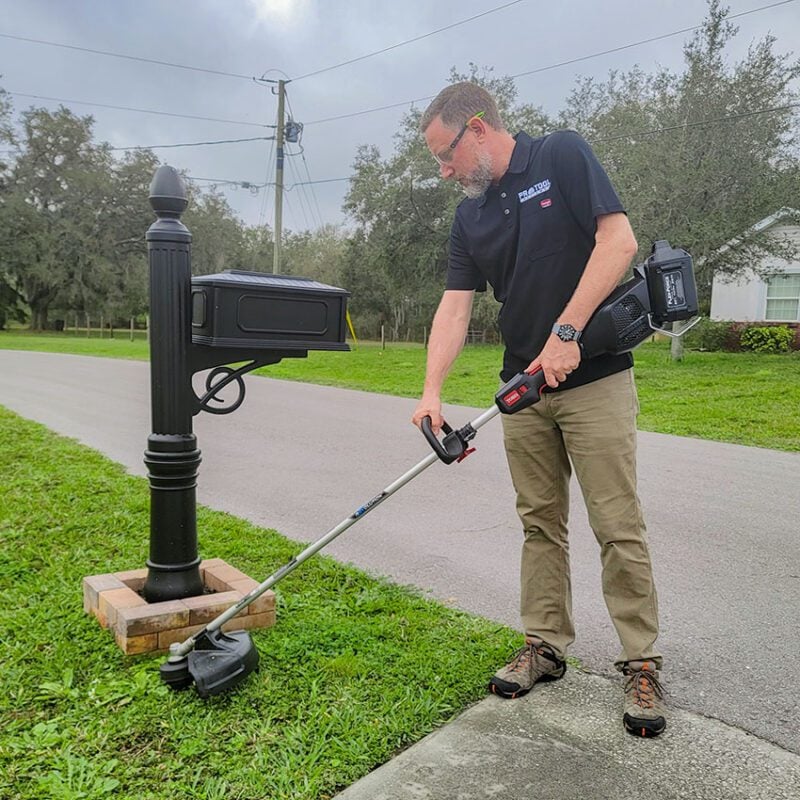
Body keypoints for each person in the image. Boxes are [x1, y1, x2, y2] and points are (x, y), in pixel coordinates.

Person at [411, 81, 666, 738]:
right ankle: (545, 646)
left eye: (446, 156)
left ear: (477, 127)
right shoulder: (469, 217)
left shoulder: (561, 156)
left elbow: (619, 242)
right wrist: (431, 393)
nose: (444, 173)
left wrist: (568, 332)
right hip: (524, 393)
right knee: (539, 525)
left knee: (617, 524)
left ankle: (641, 661)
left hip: (595, 379)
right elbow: (455, 307)